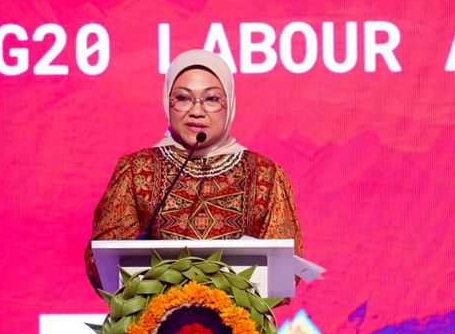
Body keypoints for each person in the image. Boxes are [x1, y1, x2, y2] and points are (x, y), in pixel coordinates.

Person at [86, 49, 304, 287]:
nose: (196, 111)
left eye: (211, 99)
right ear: (167, 102)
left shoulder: (264, 174)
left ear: (229, 103)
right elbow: (101, 265)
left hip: (240, 322)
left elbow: (287, 273)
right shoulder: (137, 170)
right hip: (153, 321)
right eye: (183, 98)